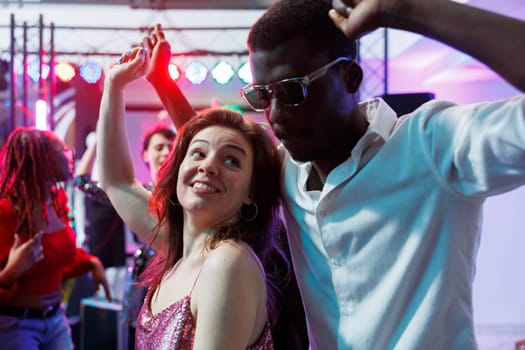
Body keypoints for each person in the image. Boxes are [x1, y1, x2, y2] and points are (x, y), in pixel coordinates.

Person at [144, 0, 525, 349]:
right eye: (263, 96)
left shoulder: (433, 145)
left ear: (351, 78)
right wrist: (162, 83)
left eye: (292, 91)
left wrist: (403, 9)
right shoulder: (288, 171)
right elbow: (220, 159)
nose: (274, 115)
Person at [97, 46, 287, 349]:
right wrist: (114, 84)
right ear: (178, 170)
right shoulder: (178, 248)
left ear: (252, 192)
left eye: (231, 161)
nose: (208, 166)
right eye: (198, 152)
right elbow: (116, 181)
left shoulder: (228, 262)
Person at [0, 126, 111, 350]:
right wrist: (12, 270)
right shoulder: (5, 213)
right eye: (62, 151)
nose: (70, 155)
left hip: (55, 320)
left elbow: (57, 257)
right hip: (15, 326)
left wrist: (91, 262)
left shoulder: (57, 199)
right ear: (42, 160)